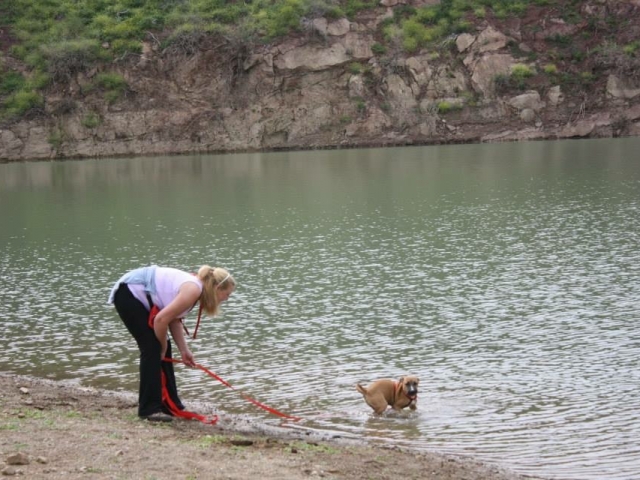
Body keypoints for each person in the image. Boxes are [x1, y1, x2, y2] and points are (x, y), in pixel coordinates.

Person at [108, 264, 235, 422]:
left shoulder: (196, 289)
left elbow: (174, 320)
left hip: (136, 293)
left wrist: (184, 350)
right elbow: (161, 320)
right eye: (227, 294)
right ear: (217, 287)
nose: (227, 299)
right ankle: (149, 410)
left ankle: (170, 404)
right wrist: (163, 346)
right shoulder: (193, 289)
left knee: (160, 348)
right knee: (152, 348)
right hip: (128, 293)